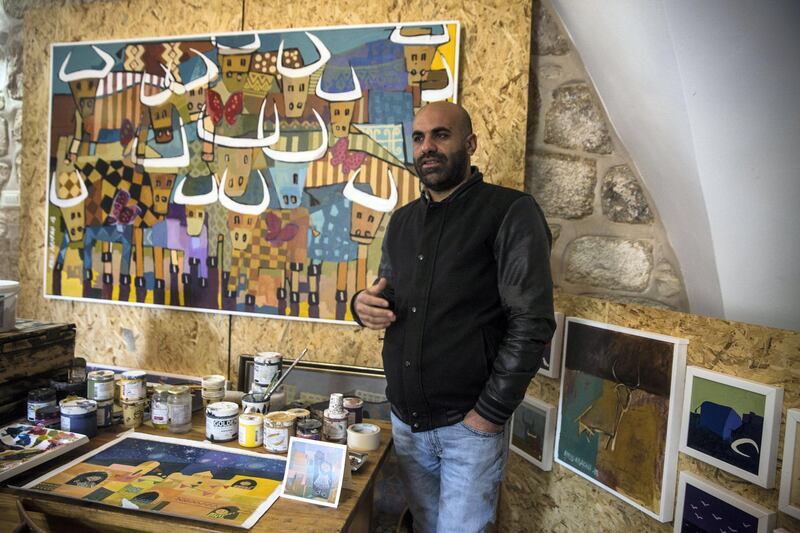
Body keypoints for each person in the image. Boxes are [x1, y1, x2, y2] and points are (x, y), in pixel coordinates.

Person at [351, 101, 555, 532]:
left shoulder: (510, 212)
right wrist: (360, 306)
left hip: (469, 428)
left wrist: (489, 415)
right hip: (406, 423)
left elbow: (532, 322)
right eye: (420, 138)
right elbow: (386, 298)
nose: (428, 147)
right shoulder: (402, 221)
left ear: (470, 144)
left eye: (441, 135)